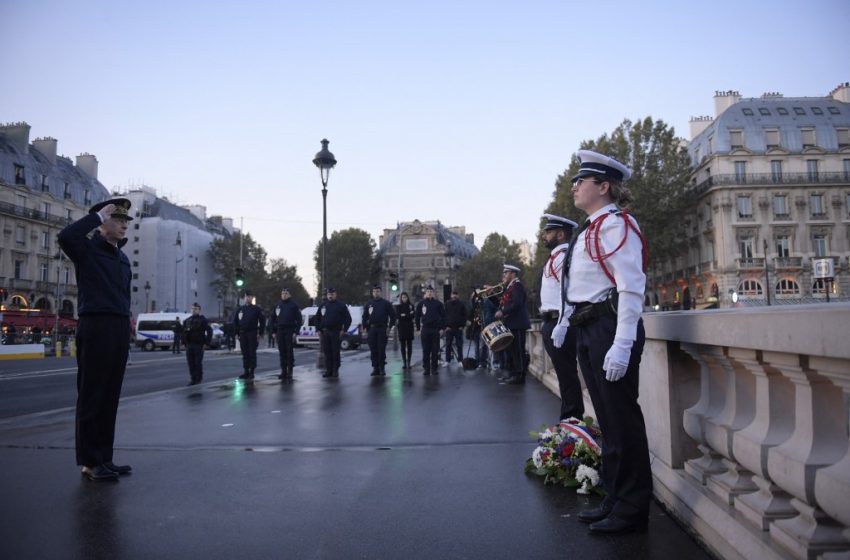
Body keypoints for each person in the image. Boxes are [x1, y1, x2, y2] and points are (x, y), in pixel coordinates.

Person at [559, 149, 651, 535]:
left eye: (582, 180)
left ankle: (632, 509)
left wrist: (623, 342)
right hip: (589, 327)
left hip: (608, 327)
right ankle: (615, 497)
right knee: (609, 423)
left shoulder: (617, 225)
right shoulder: (590, 228)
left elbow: (631, 288)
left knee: (623, 420)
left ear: (604, 186)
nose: (575, 186)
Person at [57, 198, 134, 481]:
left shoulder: (122, 257)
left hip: (118, 327)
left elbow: (123, 295)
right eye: (117, 219)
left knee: (110, 396)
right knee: (93, 395)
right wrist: (95, 217)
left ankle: (105, 457)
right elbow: (65, 236)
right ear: (103, 222)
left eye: (126, 221)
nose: (124, 225)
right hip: (96, 325)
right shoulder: (87, 249)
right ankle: (90, 462)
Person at [538, 213, 584, 422]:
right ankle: (569, 419)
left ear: (561, 234)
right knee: (564, 374)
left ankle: (571, 420)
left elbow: (565, 292)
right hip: (550, 320)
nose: (544, 235)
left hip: (559, 321)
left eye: (548, 232)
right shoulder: (555, 257)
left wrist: (562, 323)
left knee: (567, 375)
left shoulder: (564, 257)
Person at [490, 264, 530, 384]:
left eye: (506, 273)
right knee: (512, 351)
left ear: (512, 273)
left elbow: (517, 303)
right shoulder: (510, 287)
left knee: (518, 351)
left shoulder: (517, 286)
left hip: (517, 324)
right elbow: (502, 303)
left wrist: (502, 312)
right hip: (511, 323)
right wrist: (490, 294)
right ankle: (513, 373)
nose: (504, 275)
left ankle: (520, 375)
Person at [316, 287, 351, 378]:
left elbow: (348, 319)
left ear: (335, 295)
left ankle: (335, 370)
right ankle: (329, 370)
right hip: (325, 332)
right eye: (329, 294)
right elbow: (317, 318)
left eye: (332, 294)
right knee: (327, 352)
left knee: (335, 352)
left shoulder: (341, 306)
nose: (330, 296)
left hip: (336, 332)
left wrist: (344, 330)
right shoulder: (323, 305)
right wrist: (318, 329)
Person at [362, 285, 396, 376]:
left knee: (381, 349)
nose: (376, 293)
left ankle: (382, 368)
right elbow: (364, 316)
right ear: (372, 293)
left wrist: (389, 327)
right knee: (373, 349)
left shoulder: (386, 303)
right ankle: (375, 368)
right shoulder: (369, 303)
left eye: (377, 291)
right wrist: (365, 327)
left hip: (382, 328)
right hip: (372, 329)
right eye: (374, 291)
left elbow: (393, 316)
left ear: (380, 292)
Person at [233, 290, 265, 380]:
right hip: (242, 334)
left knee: (252, 353)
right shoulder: (240, 309)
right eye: (246, 296)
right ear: (244, 298)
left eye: (250, 296)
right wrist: (236, 333)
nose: (248, 298)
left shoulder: (256, 309)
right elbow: (235, 322)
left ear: (252, 298)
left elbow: (262, 321)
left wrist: (261, 332)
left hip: (252, 333)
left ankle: (252, 372)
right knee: (245, 353)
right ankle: (246, 371)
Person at [414, 285, 445, 375]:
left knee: (435, 350)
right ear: (426, 293)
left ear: (433, 293)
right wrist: (418, 328)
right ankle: (426, 368)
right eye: (428, 291)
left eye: (431, 291)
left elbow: (443, 316)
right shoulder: (421, 303)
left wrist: (442, 328)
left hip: (435, 329)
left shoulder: (438, 304)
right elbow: (417, 316)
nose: (430, 293)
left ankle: (434, 368)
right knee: (426, 350)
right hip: (425, 329)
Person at [273, 287, 301, 381]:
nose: (284, 295)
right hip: (280, 330)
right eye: (282, 293)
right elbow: (273, 319)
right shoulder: (277, 305)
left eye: (286, 293)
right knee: (282, 351)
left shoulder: (294, 305)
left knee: (289, 351)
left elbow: (299, 320)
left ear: (289, 295)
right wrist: (273, 331)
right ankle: (283, 371)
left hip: (289, 330)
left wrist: (296, 332)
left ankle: (290, 371)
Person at [182, 303, 212, 385]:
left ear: (199, 310)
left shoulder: (203, 320)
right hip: (189, 345)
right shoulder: (187, 320)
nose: (193, 310)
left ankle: (198, 379)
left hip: (199, 345)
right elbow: (183, 332)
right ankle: (193, 379)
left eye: (195, 309)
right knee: (190, 363)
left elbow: (209, 331)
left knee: (197, 362)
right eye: (192, 308)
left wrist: (207, 343)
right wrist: (184, 343)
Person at [443, 289, 467, 364]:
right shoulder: (447, 304)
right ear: (451, 295)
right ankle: (447, 360)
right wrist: (445, 326)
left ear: (458, 295)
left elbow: (465, 316)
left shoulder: (462, 304)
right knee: (448, 345)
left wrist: (462, 326)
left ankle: (460, 360)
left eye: (456, 294)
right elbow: (444, 315)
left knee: (459, 345)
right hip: (449, 328)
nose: (454, 296)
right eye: (453, 294)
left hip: (458, 328)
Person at [395, 292, 415, 369]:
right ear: (401, 298)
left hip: (409, 327)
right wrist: (408, 314)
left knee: (409, 346)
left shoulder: (411, 306)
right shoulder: (398, 307)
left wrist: (404, 315)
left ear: (408, 298)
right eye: (403, 297)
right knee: (402, 346)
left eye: (405, 297)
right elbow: (398, 316)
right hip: (402, 328)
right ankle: (404, 362)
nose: (404, 299)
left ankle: (409, 362)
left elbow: (413, 315)